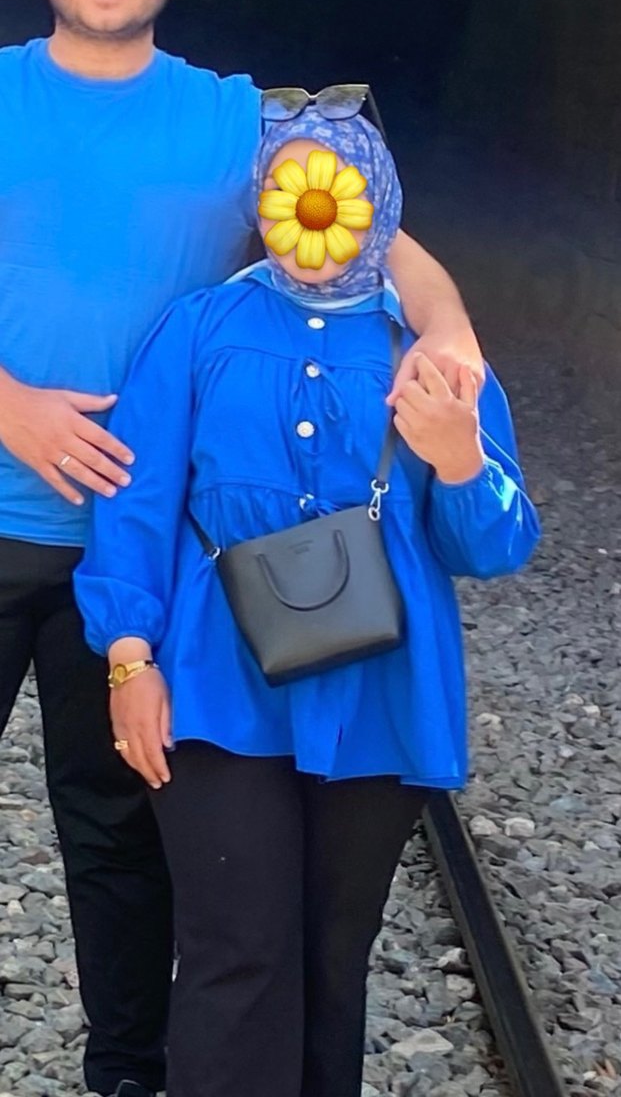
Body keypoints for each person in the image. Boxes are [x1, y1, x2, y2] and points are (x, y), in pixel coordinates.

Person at [0, 0, 488, 1095]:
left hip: (139, 545)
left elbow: (375, 228)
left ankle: (129, 1073)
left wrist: (451, 334)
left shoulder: (234, 120)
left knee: (122, 837)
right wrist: (6, 404)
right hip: (15, 511)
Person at [74, 107, 541, 1097]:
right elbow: (135, 503)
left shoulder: (429, 351)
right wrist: (127, 658)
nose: (313, 216)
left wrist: (460, 462)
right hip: (213, 686)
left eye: (338, 193)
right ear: (262, 206)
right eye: (290, 195)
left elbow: (493, 549)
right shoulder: (200, 327)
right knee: (235, 949)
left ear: (381, 205)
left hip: (378, 697)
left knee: (334, 959)